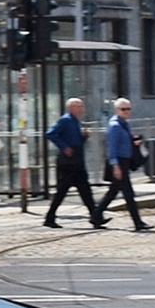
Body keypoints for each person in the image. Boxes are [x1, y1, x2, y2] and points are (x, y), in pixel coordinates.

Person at [42, 96, 107, 228]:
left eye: (81, 107)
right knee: (61, 192)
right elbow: (50, 133)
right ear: (71, 108)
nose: (81, 109)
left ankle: (96, 217)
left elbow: (77, 142)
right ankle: (49, 218)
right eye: (79, 107)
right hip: (68, 163)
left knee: (86, 191)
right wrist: (64, 147)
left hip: (77, 161)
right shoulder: (65, 120)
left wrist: (84, 137)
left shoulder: (76, 121)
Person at [94, 97, 153, 231]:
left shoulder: (124, 124)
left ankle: (96, 215)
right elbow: (111, 148)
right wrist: (115, 166)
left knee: (113, 191)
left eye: (128, 109)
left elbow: (123, 142)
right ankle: (138, 222)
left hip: (124, 160)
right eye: (123, 109)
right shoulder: (115, 125)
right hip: (119, 162)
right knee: (128, 193)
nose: (126, 111)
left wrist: (134, 142)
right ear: (116, 110)